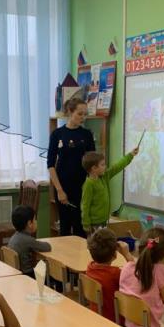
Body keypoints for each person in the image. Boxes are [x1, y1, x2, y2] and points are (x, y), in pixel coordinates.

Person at [47, 96, 94, 237]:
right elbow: (50, 165)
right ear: (70, 112)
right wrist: (59, 190)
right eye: (80, 114)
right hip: (63, 187)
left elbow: (92, 162)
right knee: (65, 228)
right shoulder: (57, 134)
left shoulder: (87, 134)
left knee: (81, 229)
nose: (83, 117)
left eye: (85, 114)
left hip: (83, 188)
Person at [81, 149, 139, 233]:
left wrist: (130, 155)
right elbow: (85, 205)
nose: (105, 166)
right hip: (94, 223)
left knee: (104, 240)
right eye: (102, 165)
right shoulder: (89, 184)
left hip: (104, 221)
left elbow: (117, 167)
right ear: (94, 168)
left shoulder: (104, 177)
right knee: (97, 241)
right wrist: (86, 224)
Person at [85, 228, 134, 321]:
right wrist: (127, 254)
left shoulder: (90, 268)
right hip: (114, 318)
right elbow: (136, 276)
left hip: (96, 314)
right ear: (115, 255)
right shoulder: (115, 274)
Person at [7, 205, 51, 277]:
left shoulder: (14, 236)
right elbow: (47, 247)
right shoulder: (28, 240)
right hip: (28, 276)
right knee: (52, 275)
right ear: (30, 223)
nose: (36, 222)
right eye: (35, 219)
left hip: (16, 274)